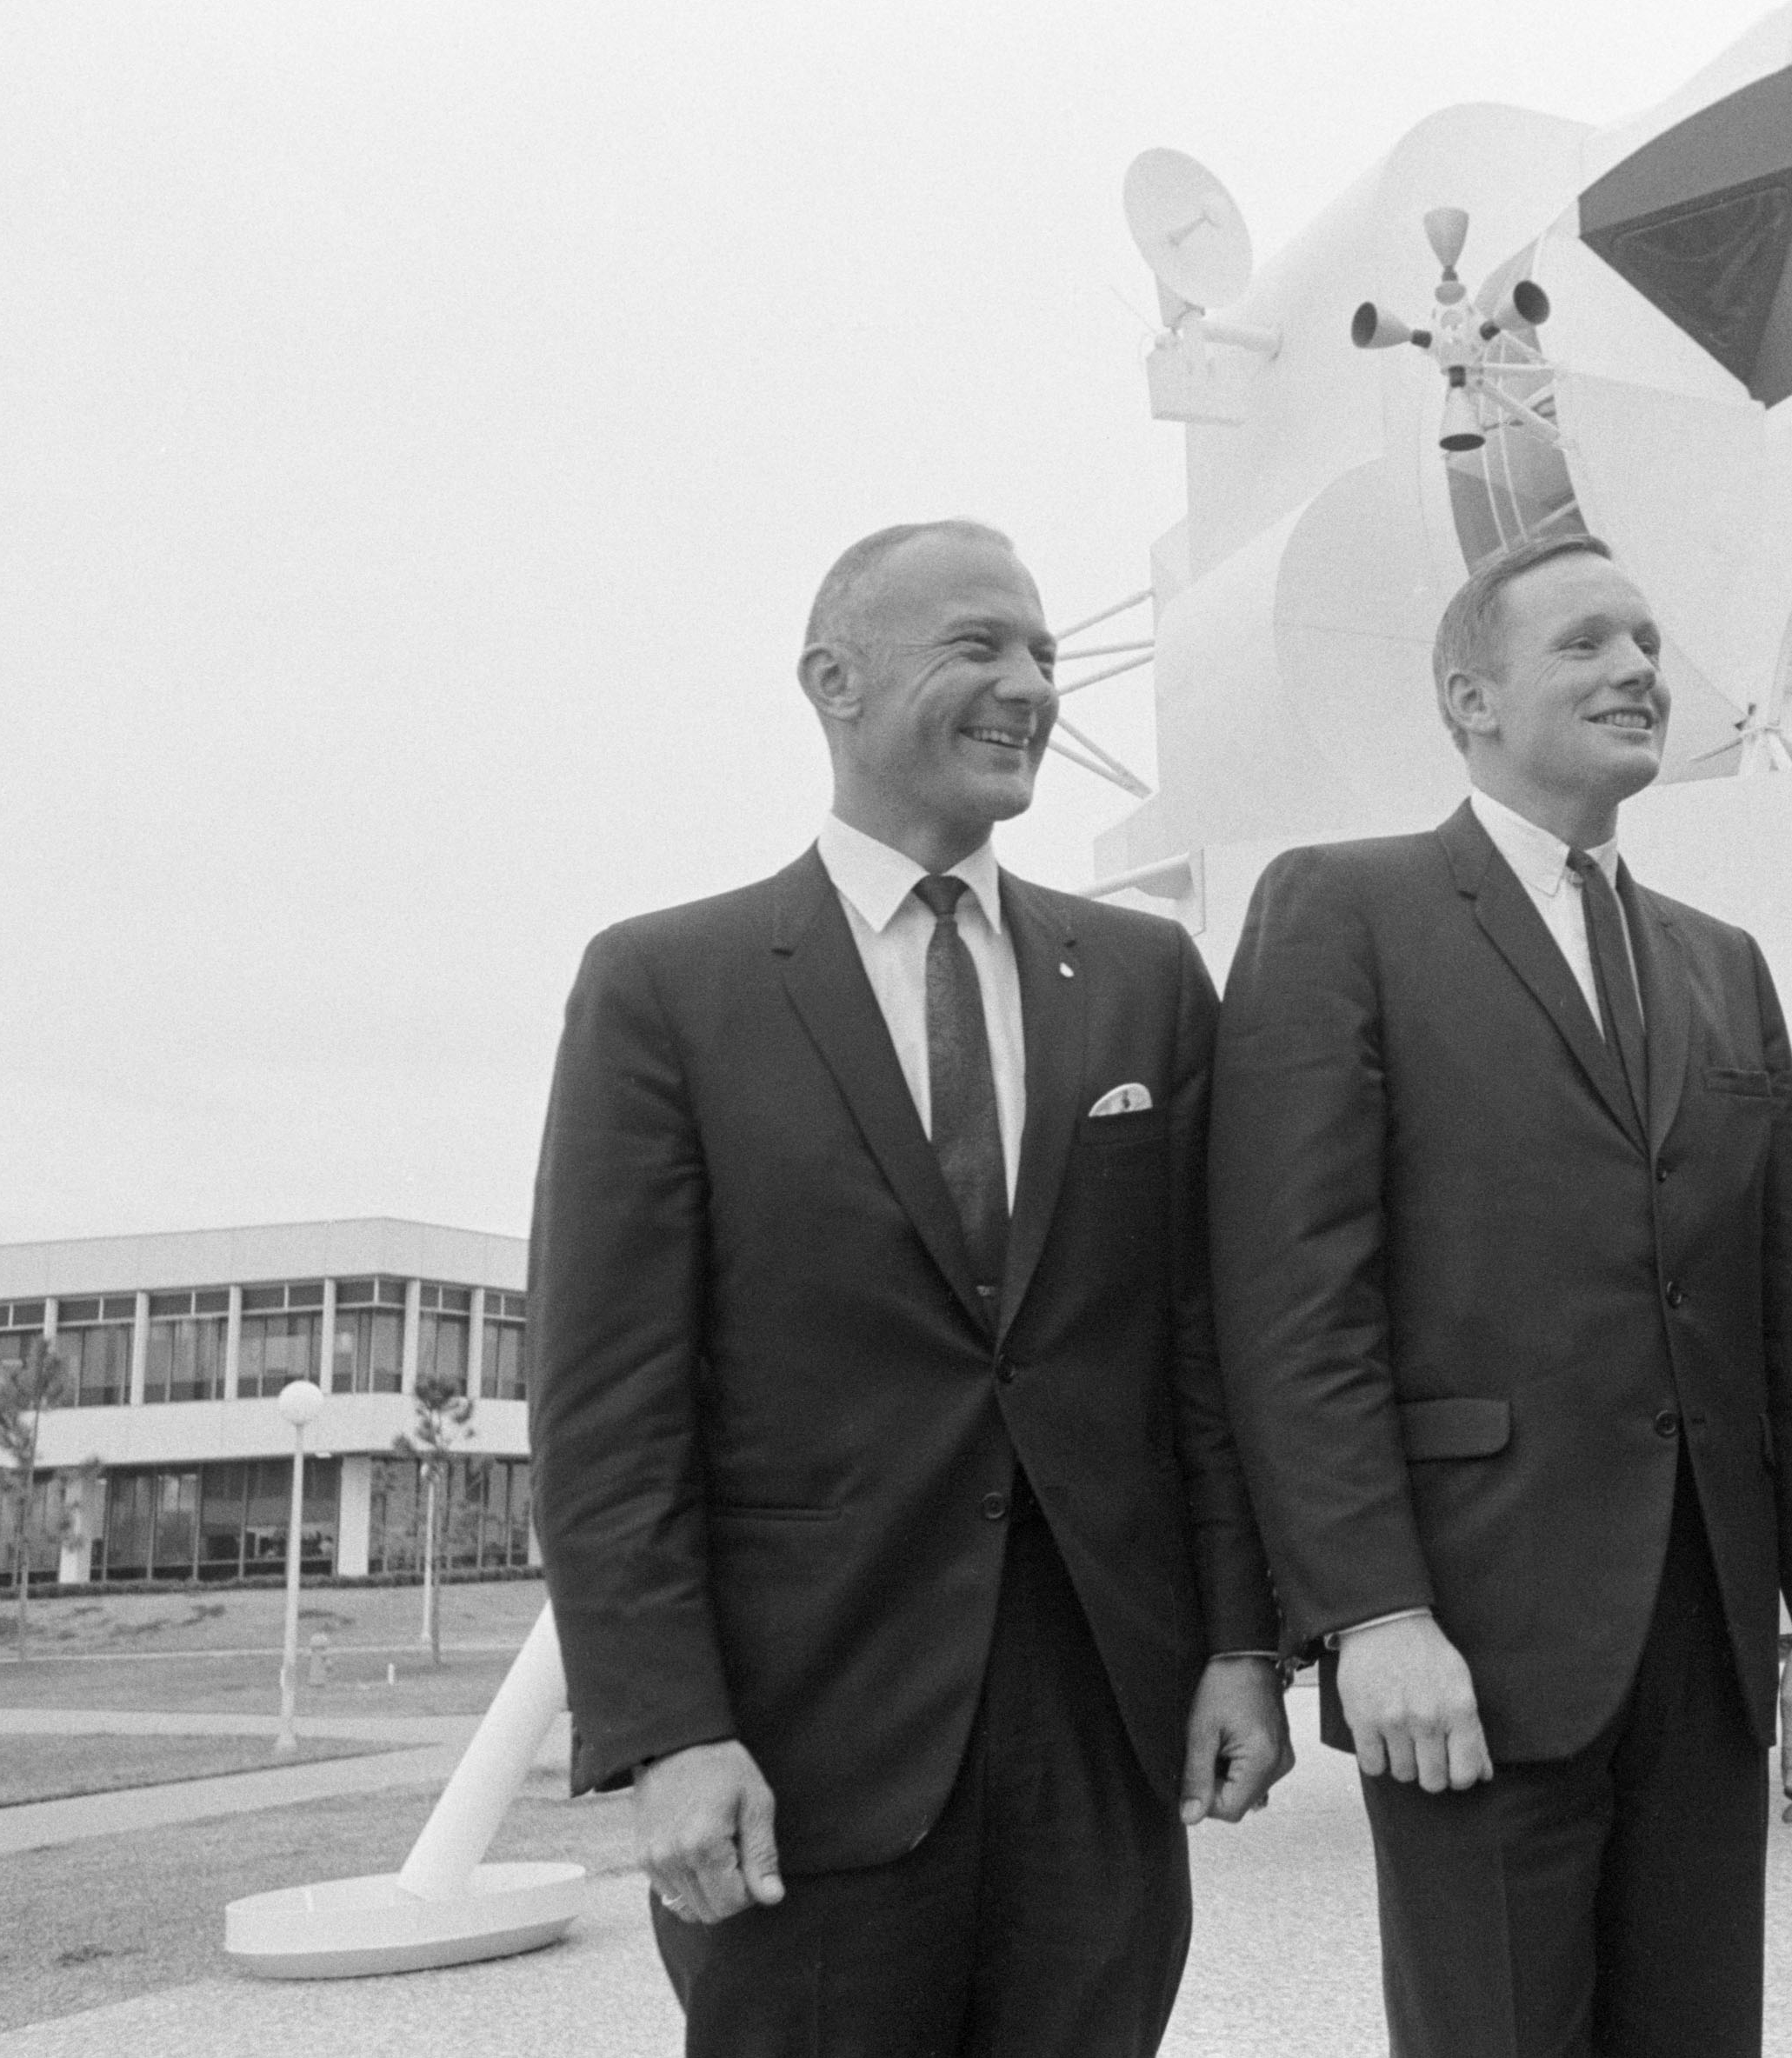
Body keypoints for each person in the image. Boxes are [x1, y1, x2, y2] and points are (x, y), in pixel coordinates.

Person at [529, 519, 1290, 2058]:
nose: (1029, 687)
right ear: (833, 679)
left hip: (1100, 1736)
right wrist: (669, 1734)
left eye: (1048, 657)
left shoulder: (1145, 979)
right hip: (803, 1752)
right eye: (979, 647)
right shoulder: (667, 987)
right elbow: (607, 1411)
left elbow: (1200, 1355)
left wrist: (1242, 1643)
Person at [1209, 532, 1792, 2058]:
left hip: (1704, 1641)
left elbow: (1790, 1308)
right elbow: (1292, 1303)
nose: (1639, 668)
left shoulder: (1720, 968)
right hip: (1467, 1641)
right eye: (1587, 642)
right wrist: (1368, 1608)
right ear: (1470, 693)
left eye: (1648, 641)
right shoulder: (1342, 912)